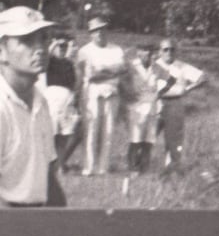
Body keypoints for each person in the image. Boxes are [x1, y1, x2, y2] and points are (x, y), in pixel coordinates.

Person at [0, 7, 65, 236]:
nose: (39, 47)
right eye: (26, 40)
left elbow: (50, 177)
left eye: (43, 38)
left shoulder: (40, 101)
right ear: (1, 50)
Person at [74, 17, 126, 175]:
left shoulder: (116, 50)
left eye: (102, 29)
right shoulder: (84, 51)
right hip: (91, 94)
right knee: (91, 130)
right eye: (96, 30)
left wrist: (102, 70)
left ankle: (103, 167)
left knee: (108, 131)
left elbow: (123, 69)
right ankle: (88, 167)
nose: (100, 33)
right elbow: (90, 76)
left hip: (112, 93)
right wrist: (111, 70)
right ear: (90, 33)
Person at [151, 38, 206, 170]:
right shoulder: (153, 66)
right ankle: (142, 167)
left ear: (176, 51)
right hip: (156, 103)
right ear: (160, 51)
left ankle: (171, 169)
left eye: (172, 49)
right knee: (149, 136)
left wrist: (187, 89)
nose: (169, 52)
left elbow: (203, 77)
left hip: (176, 103)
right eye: (165, 49)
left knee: (174, 139)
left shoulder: (182, 66)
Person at [40, 34, 81, 171]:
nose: (62, 49)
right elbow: (45, 57)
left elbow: (74, 83)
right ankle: (48, 163)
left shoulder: (69, 64)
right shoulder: (50, 62)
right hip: (53, 98)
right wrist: (54, 43)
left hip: (67, 99)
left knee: (65, 134)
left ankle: (60, 164)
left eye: (65, 46)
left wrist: (74, 99)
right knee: (52, 133)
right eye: (60, 46)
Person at [124, 43, 162, 173]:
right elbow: (120, 79)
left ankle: (145, 169)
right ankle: (132, 169)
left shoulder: (157, 68)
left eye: (152, 52)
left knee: (149, 141)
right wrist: (128, 92)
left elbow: (171, 79)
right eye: (146, 51)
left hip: (152, 108)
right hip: (136, 107)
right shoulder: (131, 65)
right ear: (138, 52)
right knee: (135, 140)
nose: (150, 54)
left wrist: (161, 93)